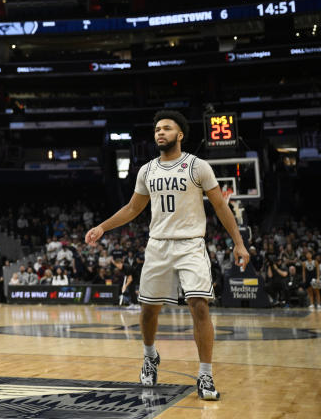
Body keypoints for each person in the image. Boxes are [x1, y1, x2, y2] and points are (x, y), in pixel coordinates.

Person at [85, 110, 249, 402]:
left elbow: (221, 208)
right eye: (157, 129)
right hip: (158, 245)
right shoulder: (147, 171)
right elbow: (133, 209)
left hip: (190, 245)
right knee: (148, 310)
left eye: (167, 128)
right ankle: (150, 357)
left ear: (180, 134)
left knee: (199, 306)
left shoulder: (198, 167)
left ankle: (206, 373)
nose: (160, 132)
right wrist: (102, 227)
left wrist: (239, 243)